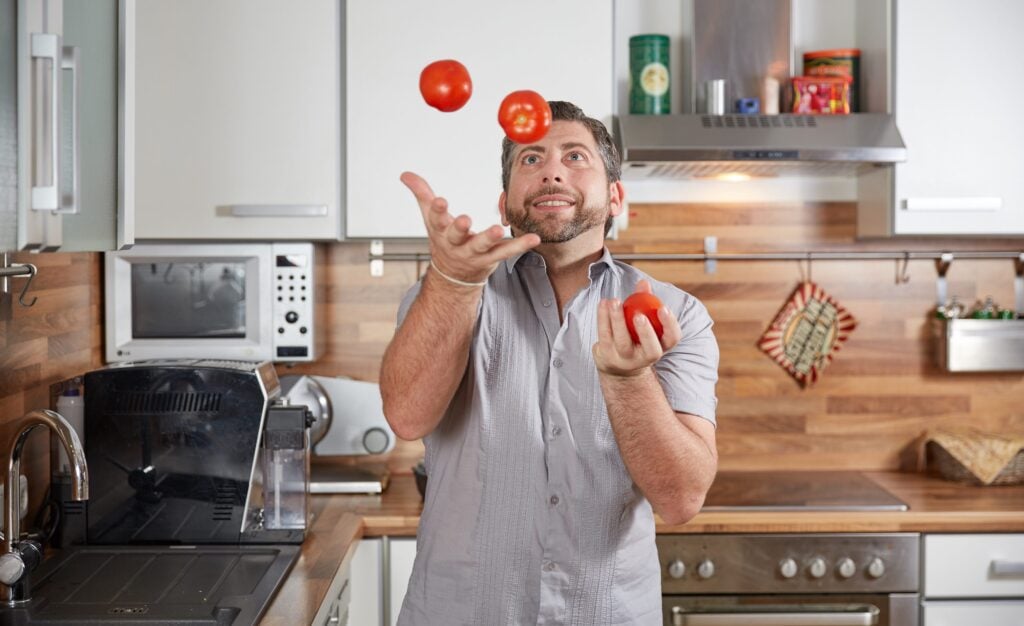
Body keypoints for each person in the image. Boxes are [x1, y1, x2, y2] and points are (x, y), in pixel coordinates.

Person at [380, 101, 719, 625]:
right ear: (505, 201)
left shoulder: (675, 313)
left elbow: (679, 498)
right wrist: (452, 282)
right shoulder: (448, 294)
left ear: (615, 196)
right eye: (530, 159)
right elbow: (407, 416)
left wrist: (628, 379)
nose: (552, 170)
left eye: (575, 156)